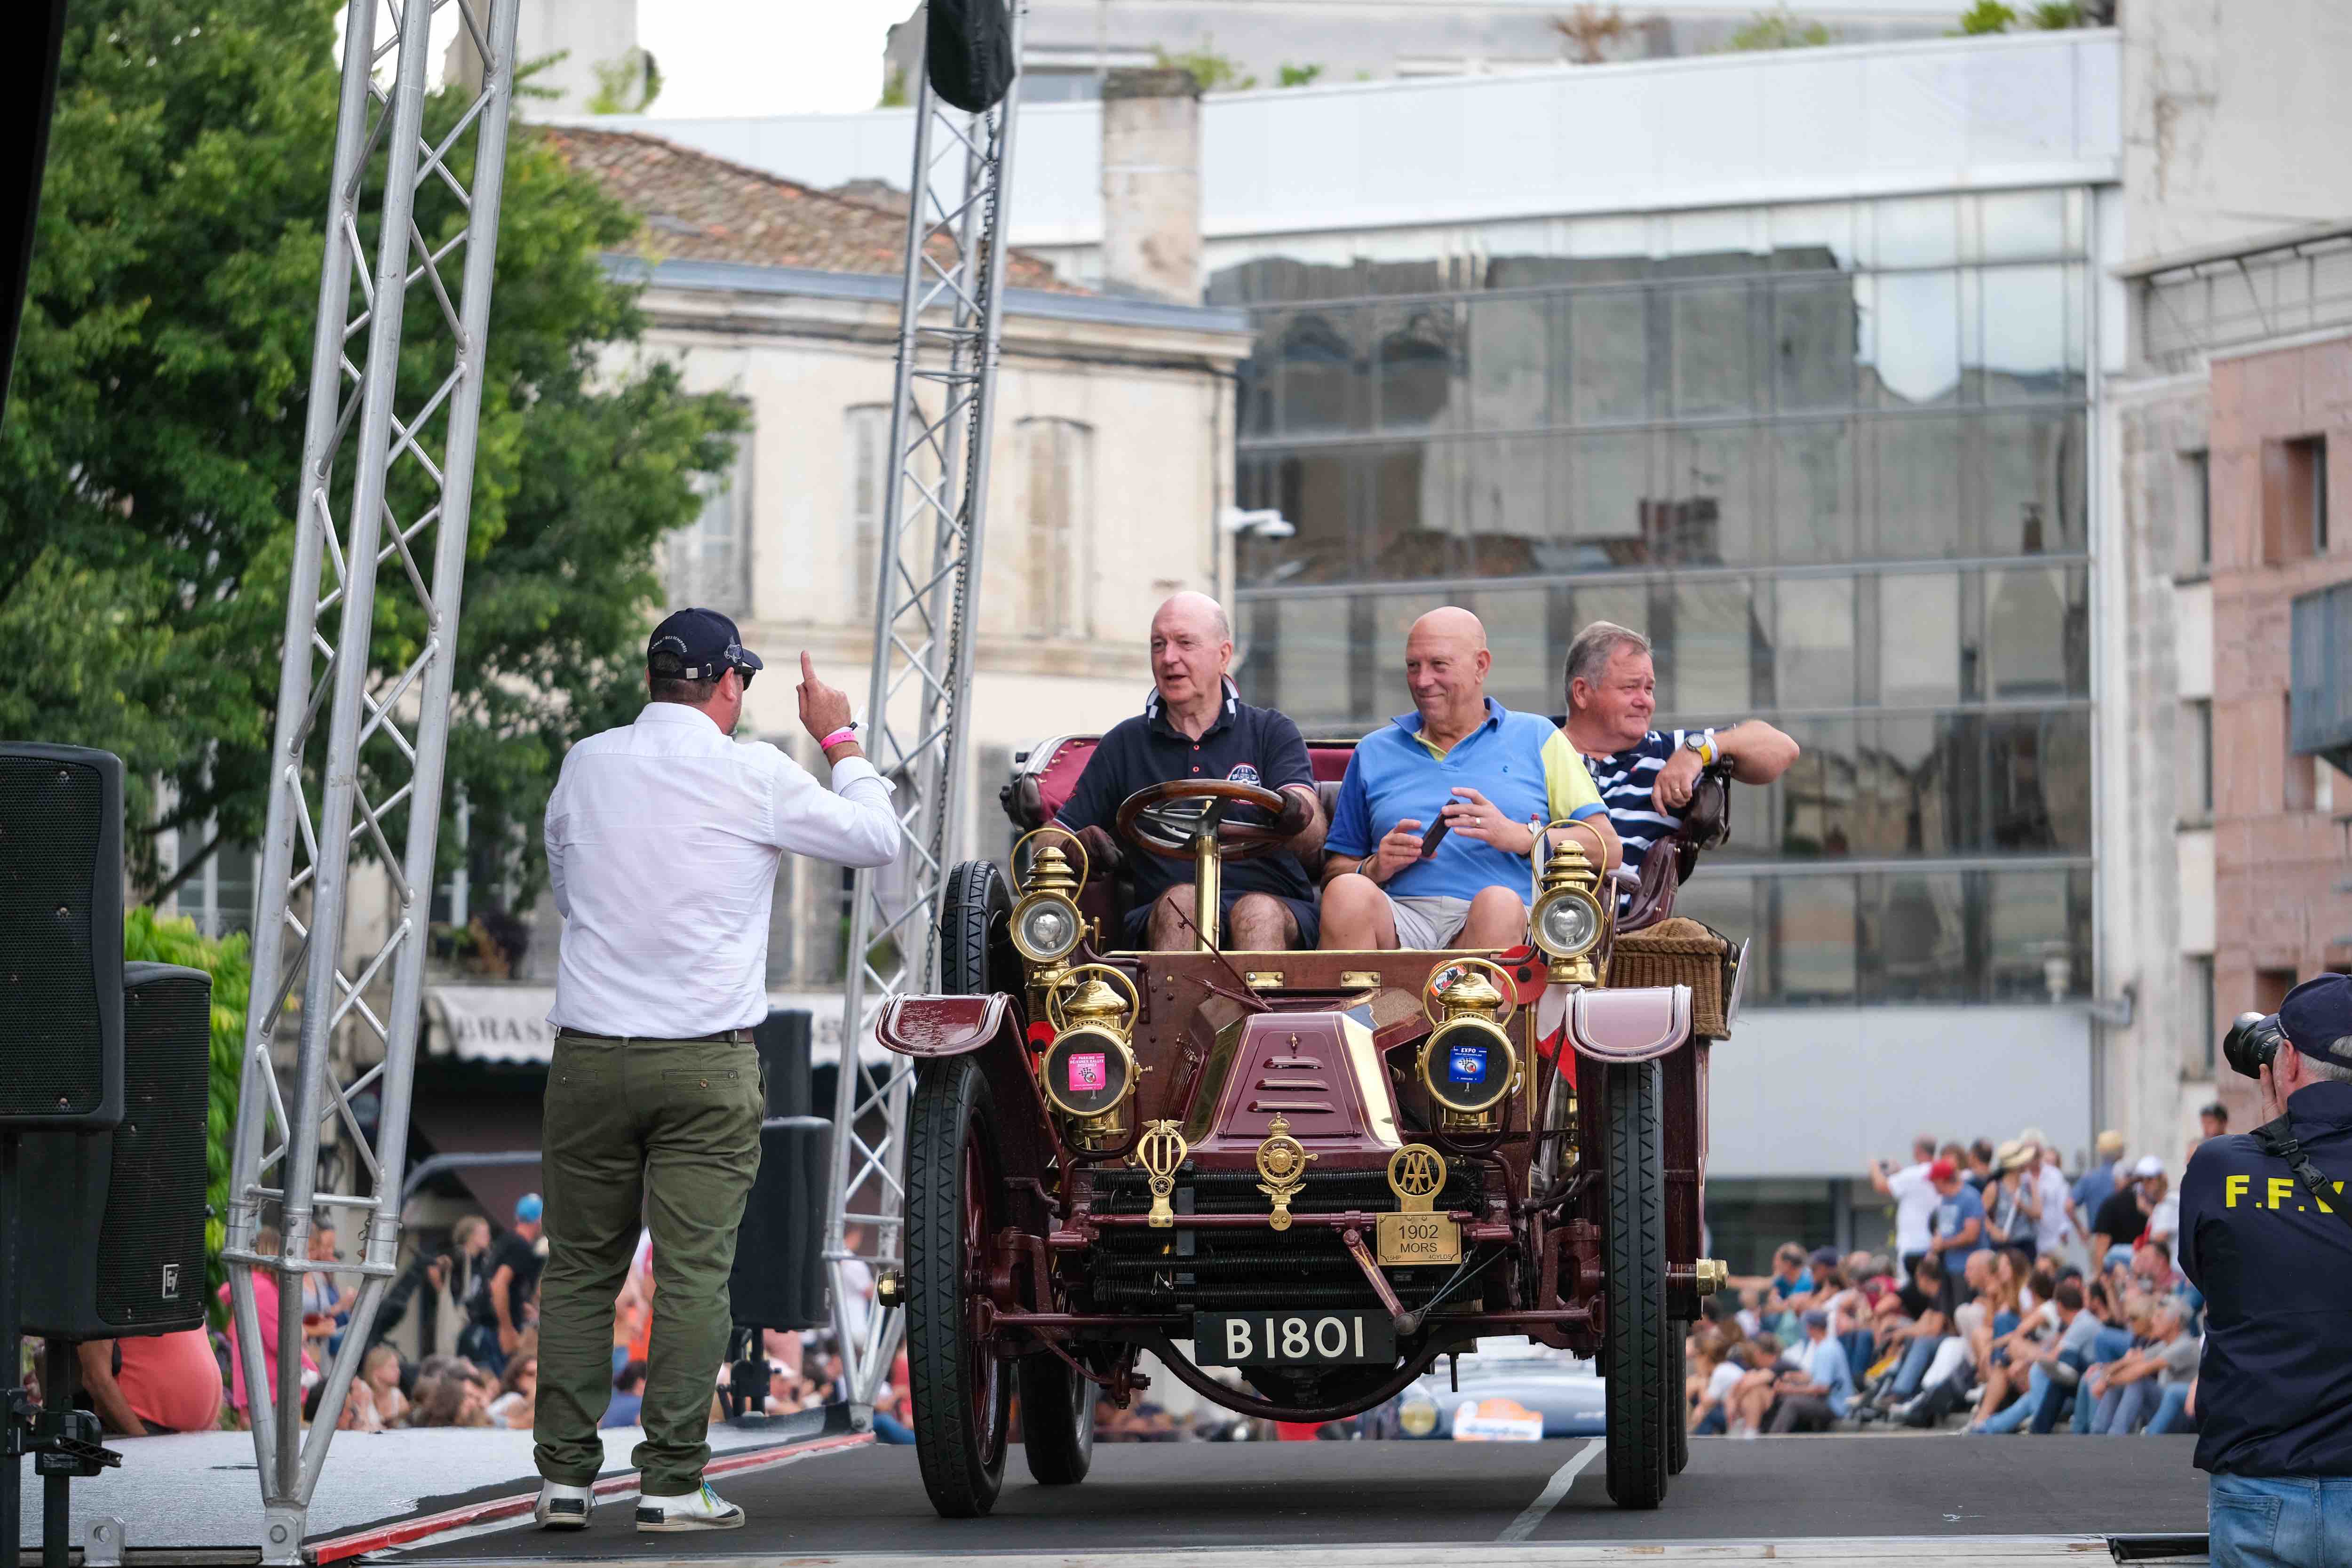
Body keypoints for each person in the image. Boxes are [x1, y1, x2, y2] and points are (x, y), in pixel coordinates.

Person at [532, 610, 901, 1534]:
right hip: (704, 1057)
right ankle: (668, 1483)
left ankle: (564, 1483)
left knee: (579, 1269)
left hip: (588, 1053)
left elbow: (569, 891)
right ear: (731, 683)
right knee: (694, 1274)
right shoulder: (754, 772)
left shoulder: (586, 762)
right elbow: (878, 836)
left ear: (653, 679)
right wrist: (840, 737)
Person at [1319, 607, 1617, 951]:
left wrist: (1522, 836)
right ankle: (1371, 993)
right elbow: (1334, 872)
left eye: (1439, 665)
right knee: (1346, 892)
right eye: (1413, 666)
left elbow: (1609, 848)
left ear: (1481, 665)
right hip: (1399, 917)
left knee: (1497, 905)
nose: (1422, 680)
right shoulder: (1374, 750)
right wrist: (1374, 867)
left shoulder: (1539, 736)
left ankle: (1472, 989)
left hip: (1498, 917)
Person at [2179, 975, 2352, 1564]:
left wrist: (2274, 1141)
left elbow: (2214, 1277)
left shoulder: (2219, 1167)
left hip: (2260, 1484)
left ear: (2288, 1062)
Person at [1051, 593, 1324, 950]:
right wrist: (1072, 846)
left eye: (1185, 643)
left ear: (1224, 655)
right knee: (1182, 903)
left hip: (1276, 903)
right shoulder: (1124, 743)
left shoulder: (1271, 730)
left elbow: (1313, 831)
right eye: (1158, 645)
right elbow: (1047, 839)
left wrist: (1297, 812)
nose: (1168, 658)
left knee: (1257, 912)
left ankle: (1259, 991)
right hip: (1166, 910)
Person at [1558, 621, 1798, 891]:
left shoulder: (1667, 752)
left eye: (1649, 689)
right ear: (1582, 692)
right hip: (1531, 912)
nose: (1645, 702)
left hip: (1622, 917)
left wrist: (1700, 751)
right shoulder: (1533, 747)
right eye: (1630, 688)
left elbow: (1784, 749)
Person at [72, 1329, 222, 1437]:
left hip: (193, 1438)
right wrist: (144, 1444)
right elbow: (96, 1379)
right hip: (143, 1433)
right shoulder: (102, 1295)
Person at [464, 1195, 544, 1376]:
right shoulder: (520, 1246)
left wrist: (520, 1307)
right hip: (494, 1331)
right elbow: (498, 1284)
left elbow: (499, 1284)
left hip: (484, 1328)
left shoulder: (507, 1240)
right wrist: (506, 1329)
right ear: (539, 1220)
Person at [1868, 1137, 1941, 1273]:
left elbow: (1881, 1186)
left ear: (1917, 1151)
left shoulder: (1913, 1174)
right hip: (1934, 1243)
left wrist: (1874, 1166)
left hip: (1912, 1243)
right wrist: (1900, 1173)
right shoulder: (1938, 1172)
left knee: (1909, 1282)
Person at [2091, 1155, 2162, 1263]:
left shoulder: (2110, 1204)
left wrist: (2098, 1272)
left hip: (2120, 1265)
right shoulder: (2154, 1203)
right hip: (2148, 1262)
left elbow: (2102, 1244)